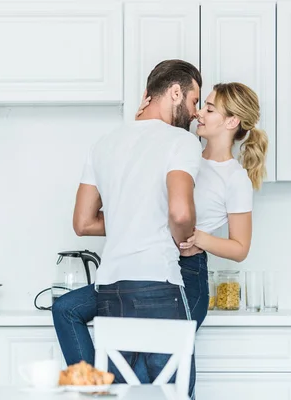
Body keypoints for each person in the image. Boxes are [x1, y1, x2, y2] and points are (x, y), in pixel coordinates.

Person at [53, 79, 268, 394]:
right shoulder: (177, 149)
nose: (198, 114)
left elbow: (240, 248)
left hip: (187, 273)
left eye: (208, 108)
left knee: (154, 373)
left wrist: (197, 238)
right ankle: (93, 390)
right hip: (144, 268)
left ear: (232, 121)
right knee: (70, 311)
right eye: (200, 105)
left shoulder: (235, 179)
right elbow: (141, 210)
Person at [67, 59, 204, 388]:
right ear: (174, 92)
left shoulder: (104, 144)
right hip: (158, 284)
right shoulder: (181, 142)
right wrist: (186, 239)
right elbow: (181, 213)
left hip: (111, 289)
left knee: (120, 395)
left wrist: (130, 216)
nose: (197, 112)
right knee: (174, 395)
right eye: (194, 100)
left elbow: (83, 222)